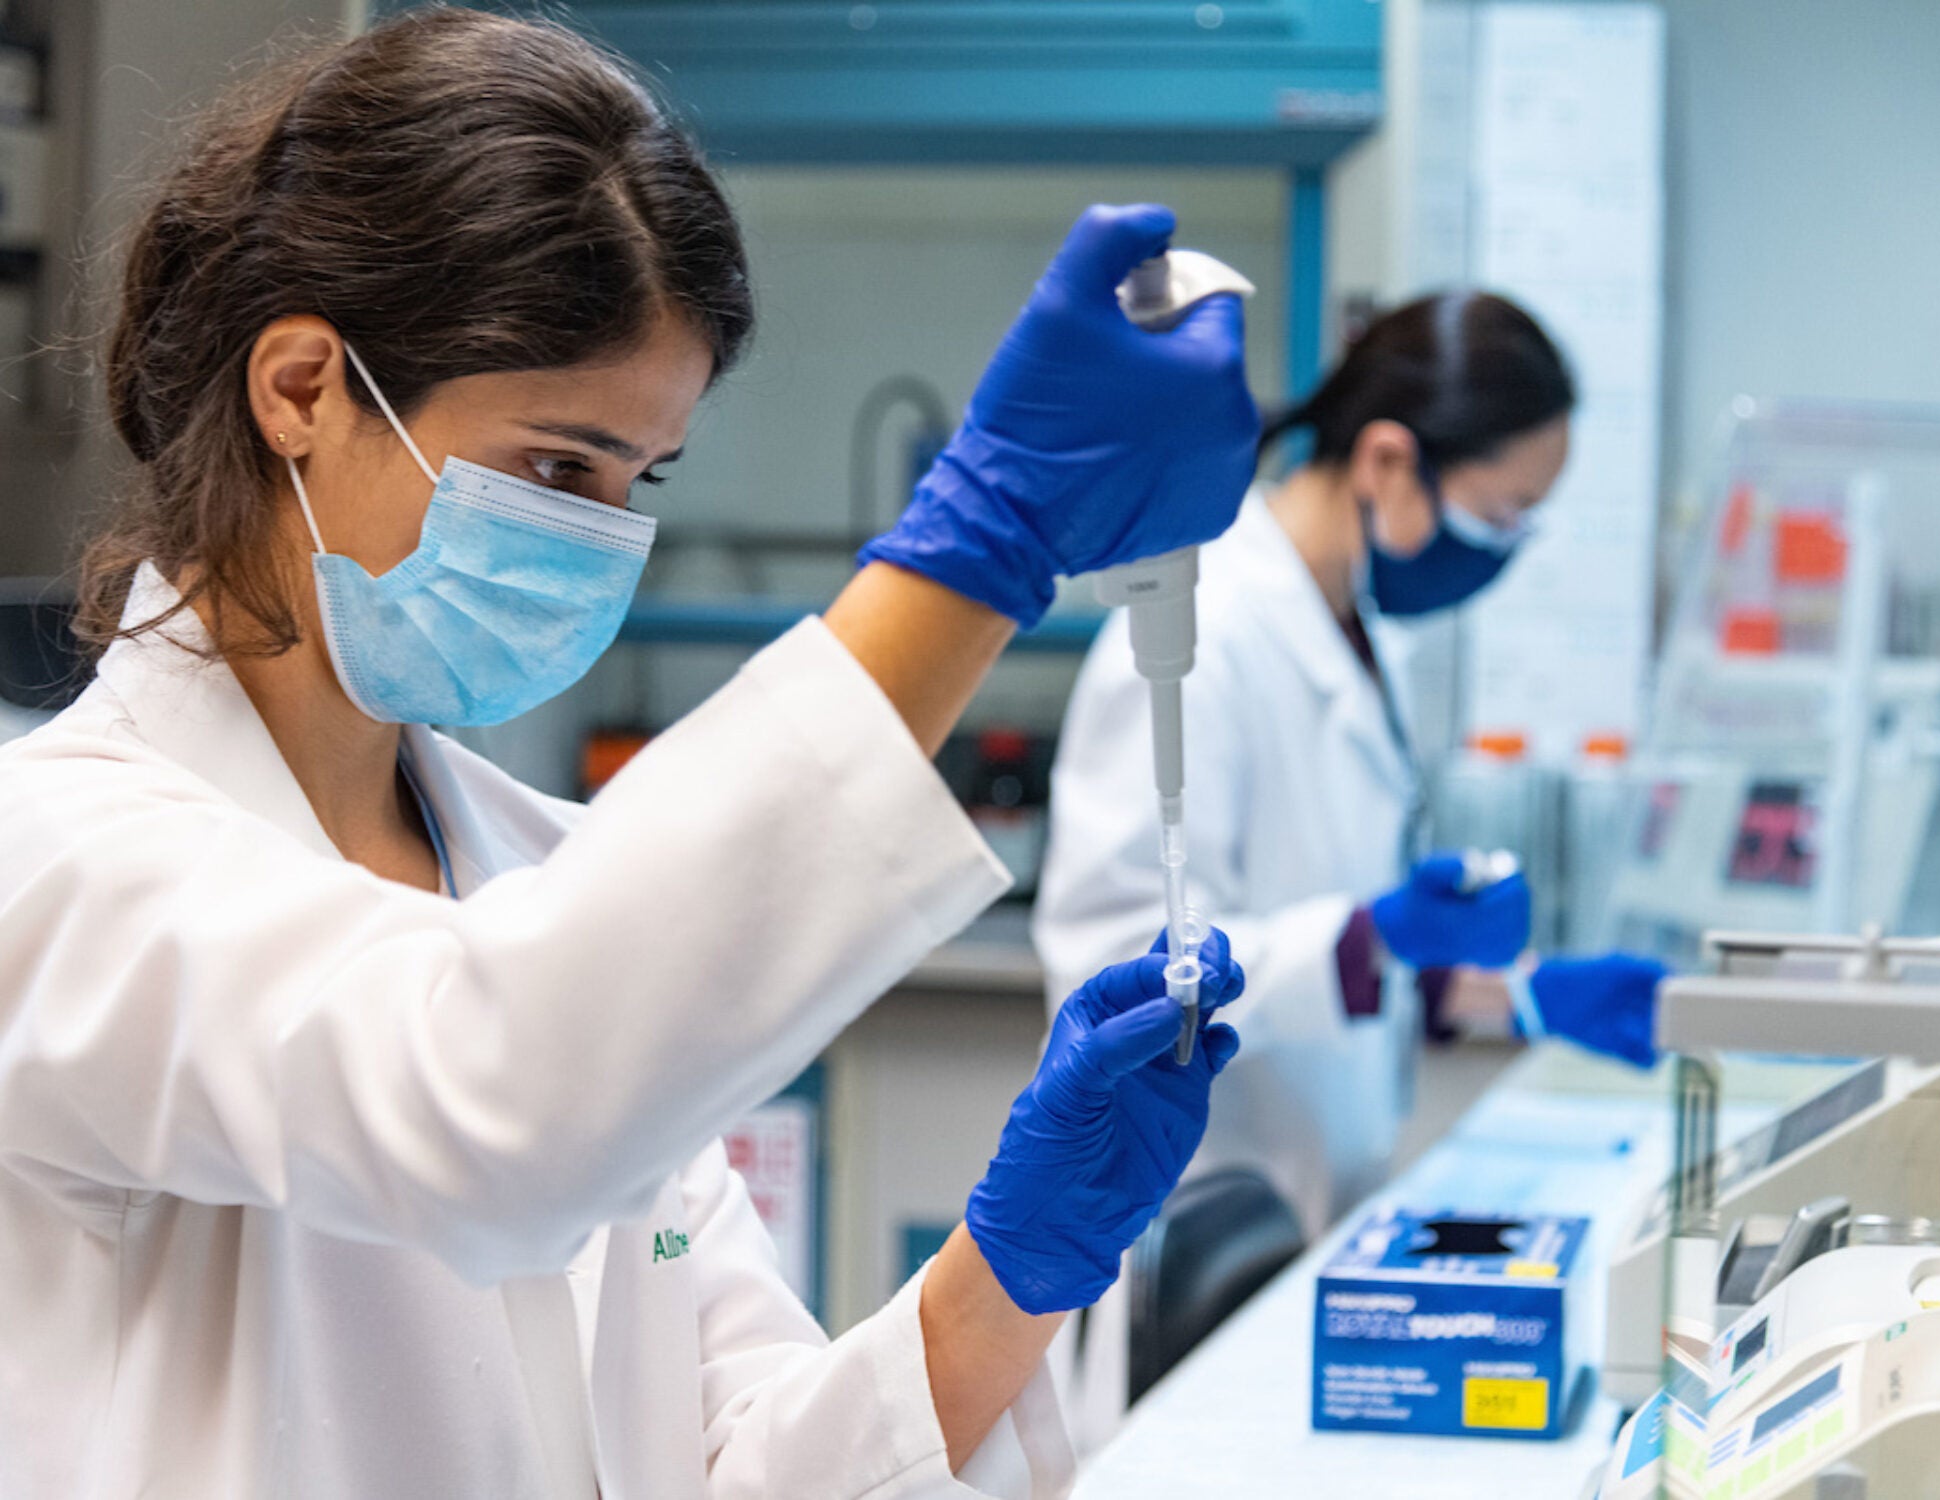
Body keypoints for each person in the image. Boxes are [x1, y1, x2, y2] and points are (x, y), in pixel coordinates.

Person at [0, 11, 1263, 1498]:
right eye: (555, 465)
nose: (598, 540)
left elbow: (727, 1463)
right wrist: (984, 550)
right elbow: (488, 1105)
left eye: (635, 479)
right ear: (301, 389)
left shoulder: (551, 880)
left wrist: (1015, 1268)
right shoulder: (59, 864)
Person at [1033, 291, 1670, 1444]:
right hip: (1191, 1233)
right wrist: (1374, 938)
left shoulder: (1352, 634)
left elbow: (1339, 950)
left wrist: (1515, 994)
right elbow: (1115, 961)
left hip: (1307, 1219)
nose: (1501, 552)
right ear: (1385, 461)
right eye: (1501, 515)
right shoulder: (1197, 633)